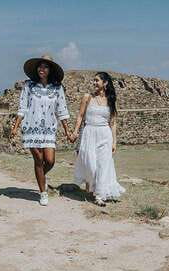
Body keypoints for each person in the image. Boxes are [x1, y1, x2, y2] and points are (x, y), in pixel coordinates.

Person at [10, 54, 74, 206]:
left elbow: (62, 110)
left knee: (50, 161)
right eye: (40, 66)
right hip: (31, 127)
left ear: (50, 70)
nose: (42, 69)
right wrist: (15, 127)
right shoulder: (29, 86)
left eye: (45, 66)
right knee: (38, 160)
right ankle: (43, 192)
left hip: (49, 130)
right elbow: (22, 108)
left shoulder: (57, 88)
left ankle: (40, 178)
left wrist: (67, 131)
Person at [72, 71, 125, 206]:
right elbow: (80, 116)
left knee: (103, 165)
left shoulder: (111, 100)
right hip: (89, 133)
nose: (94, 83)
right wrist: (76, 131)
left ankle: (99, 195)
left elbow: (113, 122)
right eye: (94, 80)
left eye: (97, 80)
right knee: (91, 164)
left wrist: (114, 141)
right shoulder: (87, 97)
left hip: (104, 135)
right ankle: (93, 186)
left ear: (105, 83)